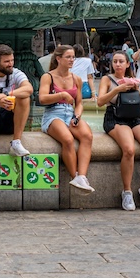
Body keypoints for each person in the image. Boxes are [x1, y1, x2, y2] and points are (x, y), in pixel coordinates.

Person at [98, 50, 140, 209]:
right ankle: (127, 192)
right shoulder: (107, 79)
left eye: (121, 61)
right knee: (129, 150)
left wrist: (136, 91)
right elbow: (99, 102)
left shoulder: (133, 79)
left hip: (133, 117)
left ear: (128, 64)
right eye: (115, 61)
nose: (117, 64)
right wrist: (117, 90)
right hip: (115, 118)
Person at [39, 44, 96, 194]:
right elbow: (42, 99)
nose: (72, 60)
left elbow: (79, 104)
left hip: (70, 113)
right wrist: (61, 95)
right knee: (68, 139)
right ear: (58, 59)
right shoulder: (48, 76)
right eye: (68, 57)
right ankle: (74, 175)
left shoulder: (76, 78)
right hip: (53, 113)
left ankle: (82, 177)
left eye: (73, 57)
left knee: (87, 136)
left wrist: (77, 116)